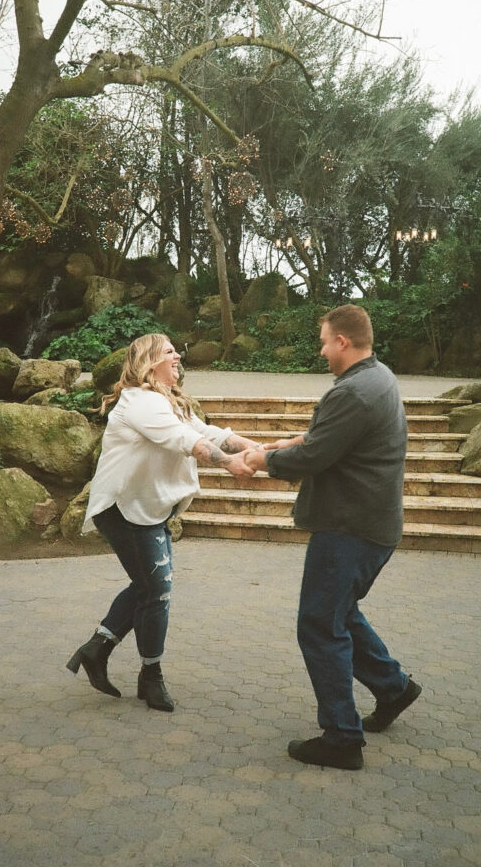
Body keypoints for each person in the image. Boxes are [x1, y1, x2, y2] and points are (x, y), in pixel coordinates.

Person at [244, 304, 421, 770]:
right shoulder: (378, 376)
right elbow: (332, 441)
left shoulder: (355, 392)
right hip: (373, 526)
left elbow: (317, 456)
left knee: (320, 624)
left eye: (324, 341)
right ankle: (394, 688)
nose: (322, 350)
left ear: (343, 341)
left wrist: (260, 462)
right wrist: (286, 443)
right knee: (339, 613)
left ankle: (342, 738)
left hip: (349, 529)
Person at [66, 332, 259, 712]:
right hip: (124, 509)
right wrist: (230, 463)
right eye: (169, 352)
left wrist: (259, 449)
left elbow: (209, 433)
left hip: (148, 508)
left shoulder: (170, 403)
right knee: (157, 591)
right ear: (149, 362)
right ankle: (150, 677)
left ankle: (96, 649)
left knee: (147, 586)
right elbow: (185, 442)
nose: (178, 357)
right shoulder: (141, 402)